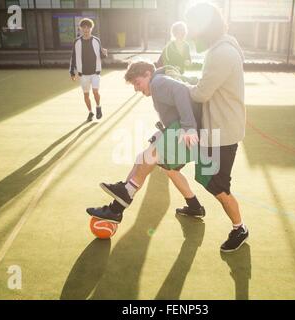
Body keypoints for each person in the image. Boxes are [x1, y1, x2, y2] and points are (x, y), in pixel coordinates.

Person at [86, 61, 205, 223]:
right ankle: (194, 206)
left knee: (147, 159)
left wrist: (189, 126)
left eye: (137, 83)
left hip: (188, 132)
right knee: (161, 166)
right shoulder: (159, 82)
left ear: (148, 74)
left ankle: (117, 206)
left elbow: (181, 91)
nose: (136, 88)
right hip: (181, 129)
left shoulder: (157, 83)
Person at [185, 3, 249, 253]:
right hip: (217, 128)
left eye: (193, 25)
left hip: (223, 131)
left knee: (219, 186)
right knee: (205, 177)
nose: (190, 31)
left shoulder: (221, 52)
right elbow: (206, 85)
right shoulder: (220, 48)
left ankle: (239, 228)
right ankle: (194, 206)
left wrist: (181, 87)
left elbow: (201, 94)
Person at [70, 18, 108, 122]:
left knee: (95, 92)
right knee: (86, 95)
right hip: (83, 74)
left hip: (95, 72)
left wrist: (104, 54)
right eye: (84, 28)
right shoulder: (76, 42)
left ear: (91, 29)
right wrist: (72, 72)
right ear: (80, 29)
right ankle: (90, 112)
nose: (86, 30)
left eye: (88, 28)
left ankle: (98, 106)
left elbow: (100, 56)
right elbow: (73, 57)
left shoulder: (96, 40)